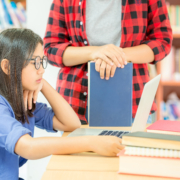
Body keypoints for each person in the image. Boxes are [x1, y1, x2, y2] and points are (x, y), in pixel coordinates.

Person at [0, 28, 124, 180]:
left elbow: (71, 124)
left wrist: (44, 85)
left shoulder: (23, 102)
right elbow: (28, 147)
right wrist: (92, 143)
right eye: (35, 63)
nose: (42, 70)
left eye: (42, 61)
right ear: (7, 67)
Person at [44, 0, 173, 124]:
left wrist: (116, 55)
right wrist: (94, 52)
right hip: (75, 104)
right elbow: (51, 48)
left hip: (133, 102)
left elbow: (163, 40)